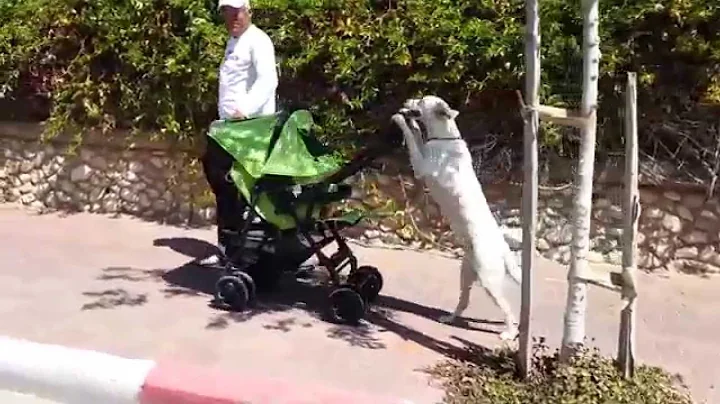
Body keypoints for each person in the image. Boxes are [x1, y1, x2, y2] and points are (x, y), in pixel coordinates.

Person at [202, 0, 279, 256]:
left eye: (237, 12)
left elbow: (268, 79)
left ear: (248, 12)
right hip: (231, 131)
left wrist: (244, 109)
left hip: (249, 130)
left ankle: (236, 247)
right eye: (228, 12)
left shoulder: (258, 40)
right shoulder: (234, 42)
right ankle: (229, 246)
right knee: (225, 186)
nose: (233, 17)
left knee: (231, 185)